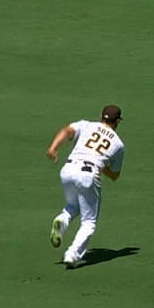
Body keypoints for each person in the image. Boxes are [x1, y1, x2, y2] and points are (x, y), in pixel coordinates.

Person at [45, 104, 125, 268]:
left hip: (68, 169)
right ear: (117, 122)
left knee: (73, 205)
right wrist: (104, 169)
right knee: (89, 221)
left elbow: (67, 131)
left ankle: (61, 221)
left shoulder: (86, 125)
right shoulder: (118, 144)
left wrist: (53, 148)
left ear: (102, 117)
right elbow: (115, 175)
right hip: (89, 174)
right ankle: (72, 254)